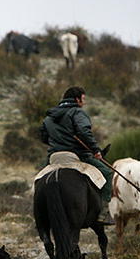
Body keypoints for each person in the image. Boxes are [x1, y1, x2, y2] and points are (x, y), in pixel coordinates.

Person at [39, 86, 114, 225]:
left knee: (39, 180)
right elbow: (84, 132)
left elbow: (44, 137)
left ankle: (39, 213)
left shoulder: (49, 118)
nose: (84, 102)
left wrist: (58, 143)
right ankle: (103, 214)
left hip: (54, 156)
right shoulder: (78, 112)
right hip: (77, 155)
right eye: (83, 99)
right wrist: (96, 150)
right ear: (77, 99)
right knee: (107, 173)